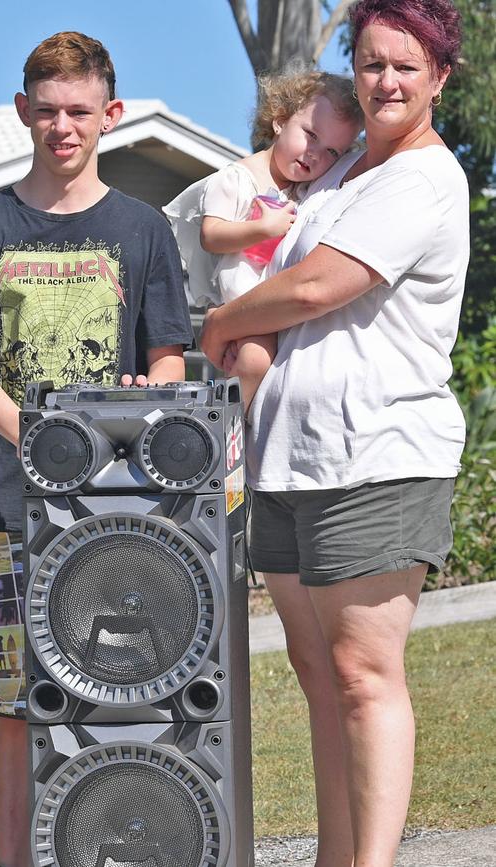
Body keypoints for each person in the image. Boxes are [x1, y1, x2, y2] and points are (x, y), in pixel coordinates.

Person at [200, 1, 468, 865]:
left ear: (439, 76)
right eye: (371, 61)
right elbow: (274, 264)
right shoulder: (343, 169)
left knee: (363, 676)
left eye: (405, 65)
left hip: (378, 456)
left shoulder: (426, 178)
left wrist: (221, 324)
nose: (385, 79)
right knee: (321, 682)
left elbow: (318, 287)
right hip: (288, 456)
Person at [0, 31, 192, 867]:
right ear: (22, 113)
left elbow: (167, 359)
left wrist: (128, 438)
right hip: (12, 511)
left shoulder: (144, 230)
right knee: (16, 708)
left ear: (110, 114)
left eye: (80, 111)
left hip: (125, 515)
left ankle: (126, 846)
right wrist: (46, 452)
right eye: (47, 111)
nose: (62, 128)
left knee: (131, 695)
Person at [164, 70, 363, 408]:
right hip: (242, 302)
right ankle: (231, 427)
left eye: (332, 151)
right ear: (280, 119)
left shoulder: (303, 192)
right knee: (254, 360)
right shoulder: (236, 179)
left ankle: (249, 419)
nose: (315, 154)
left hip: (278, 306)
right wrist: (262, 228)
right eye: (310, 135)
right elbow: (211, 235)